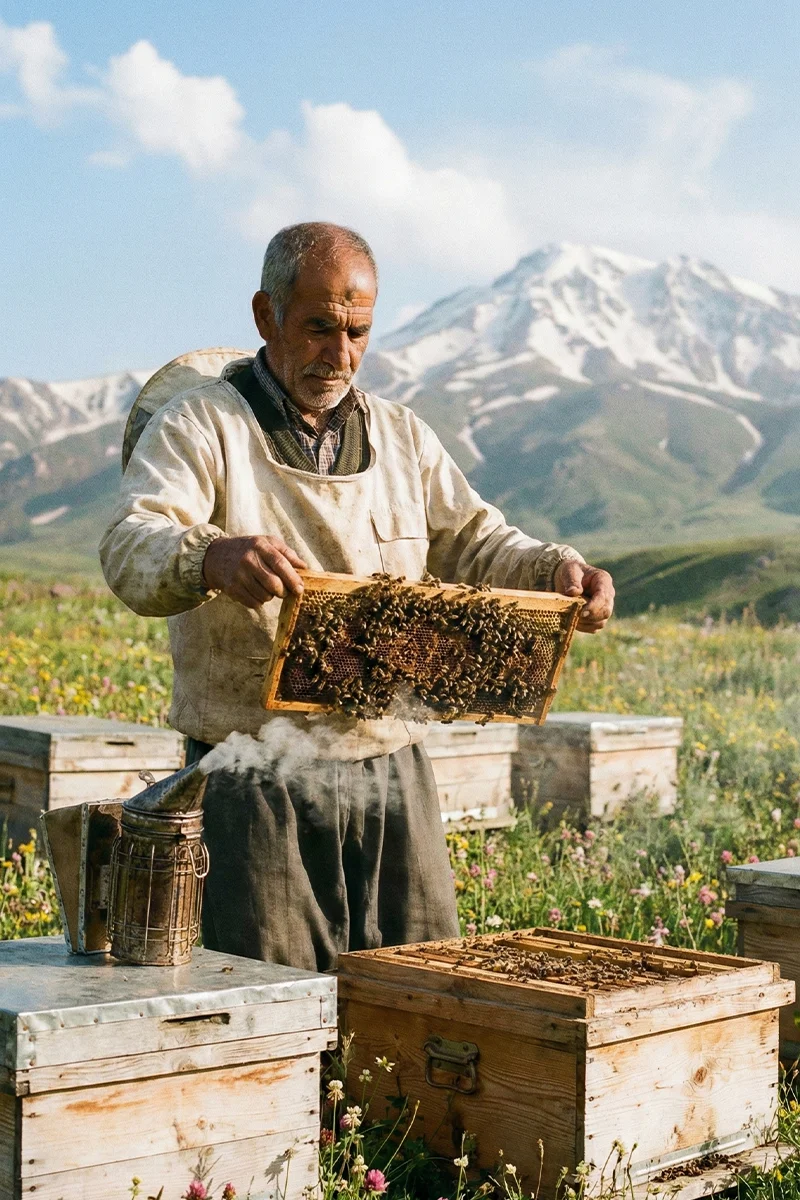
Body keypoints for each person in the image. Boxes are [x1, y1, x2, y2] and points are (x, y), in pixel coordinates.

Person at [100, 221, 614, 972]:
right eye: (318, 329)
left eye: (357, 332)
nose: (339, 355)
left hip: (391, 760)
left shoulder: (402, 437)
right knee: (273, 998)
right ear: (266, 316)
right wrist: (210, 555)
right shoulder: (200, 424)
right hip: (254, 771)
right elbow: (130, 539)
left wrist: (555, 572)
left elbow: (476, 540)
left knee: (419, 986)